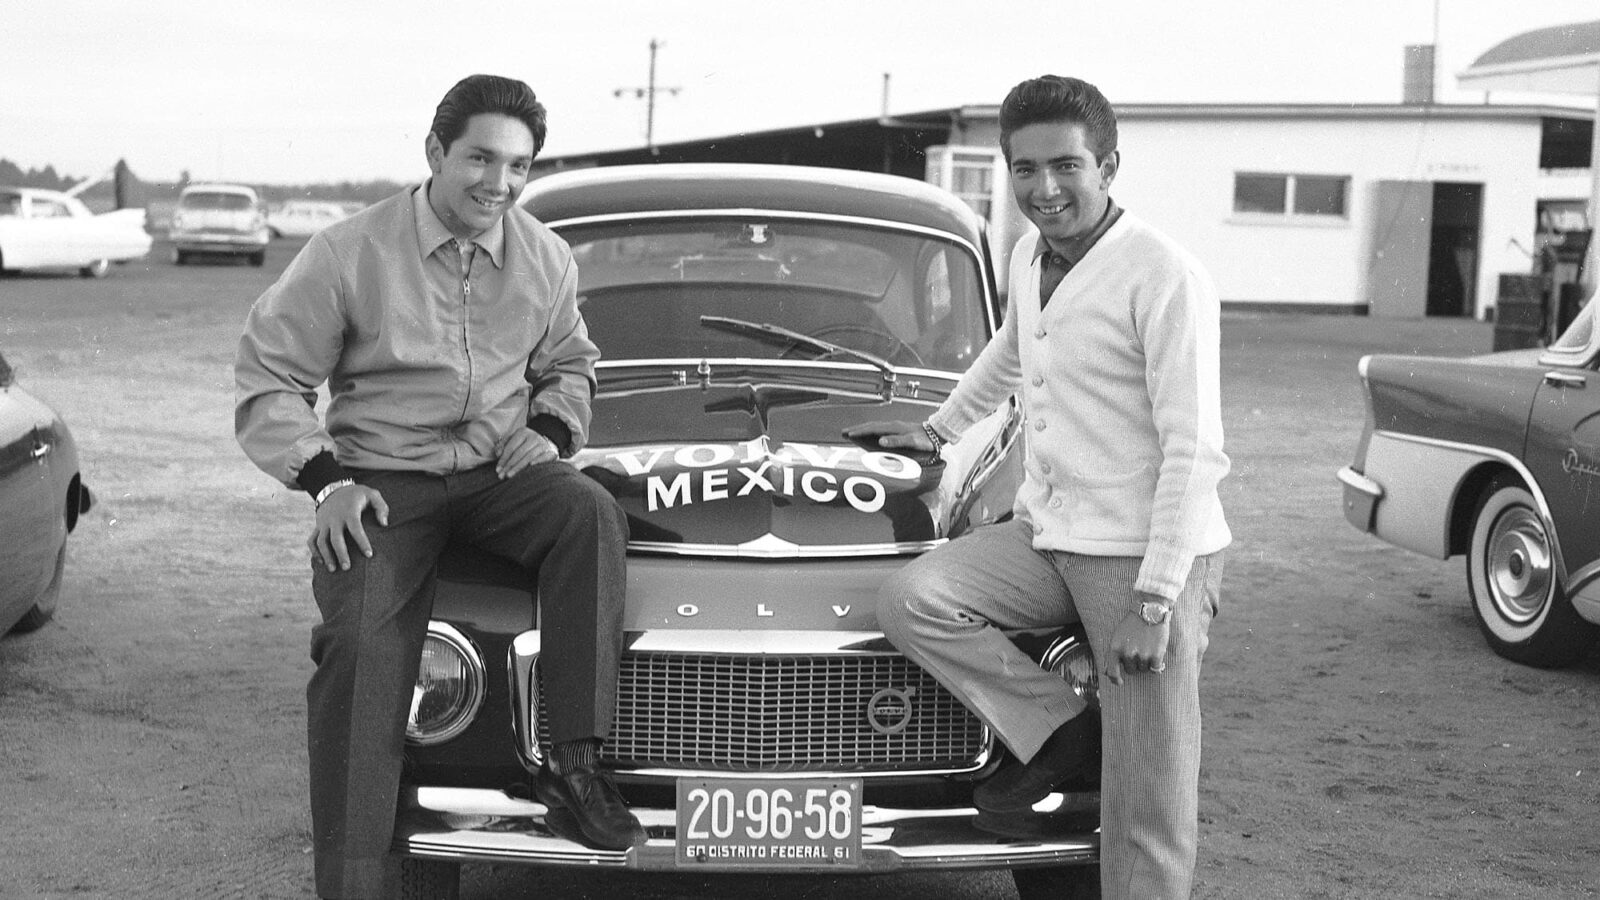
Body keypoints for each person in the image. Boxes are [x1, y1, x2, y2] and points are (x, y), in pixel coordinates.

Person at [234, 74, 642, 900]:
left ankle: (572, 768)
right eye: (481, 159)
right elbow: (268, 377)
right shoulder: (349, 251)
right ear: (435, 154)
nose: (500, 183)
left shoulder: (546, 256)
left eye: (519, 166)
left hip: (501, 476)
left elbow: (571, 366)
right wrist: (326, 483)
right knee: (361, 649)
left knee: (589, 513)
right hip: (382, 485)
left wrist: (554, 431)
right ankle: (356, 882)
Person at [844, 74, 1230, 898]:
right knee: (914, 599)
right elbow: (1013, 353)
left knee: (1145, 799)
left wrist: (1157, 602)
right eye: (1025, 170)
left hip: (1142, 556)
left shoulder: (1165, 275)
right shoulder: (1027, 253)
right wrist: (939, 431)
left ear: (1110, 166)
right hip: (1047, 535)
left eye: (1066, 167)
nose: (1044, 190)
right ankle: (1060, 727)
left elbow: (1195, 451)